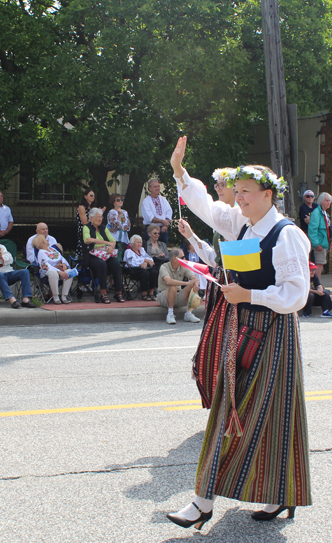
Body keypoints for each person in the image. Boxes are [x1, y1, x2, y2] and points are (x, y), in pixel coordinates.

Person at [167, 136, 311, 530]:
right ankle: (206, 501)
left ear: (268, 195)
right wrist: (180, 172)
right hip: (245, 327)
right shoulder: (243, 224)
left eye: (246, 192)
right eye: (238, 192)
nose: (238, 198)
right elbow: (207, 207)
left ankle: (267, 495)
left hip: (274, 332)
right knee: (231, 410)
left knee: (269, 414)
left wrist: (249, 293)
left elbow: (297, 295)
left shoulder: (286, 234)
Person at [178, 167, 237, 408]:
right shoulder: (221, 222)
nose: (218, 188)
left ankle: (233, 403)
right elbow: (215, 259)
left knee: (230, 346)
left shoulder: (241, 219)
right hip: (220, 286)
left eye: (224, 184)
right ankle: (221, 401)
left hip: (236, 288)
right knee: (214, 346)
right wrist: (192, 236)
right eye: (217, 184)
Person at [0, 230, 36, 309]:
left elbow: (10, 259)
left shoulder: (1, 247)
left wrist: (1, 257)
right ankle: (12, 300)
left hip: (9, 273)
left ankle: (25, 299)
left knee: (25, 271)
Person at [82, 207, 124, 304]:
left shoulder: (103, 227)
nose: (100, 219)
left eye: (101, 217)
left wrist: (111, 247)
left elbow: (113, 241)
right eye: (98, 217)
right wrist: (105, 242)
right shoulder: (86, 227)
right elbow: (87, 240)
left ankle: (118, 291)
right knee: (102, 265)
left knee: (116, 264)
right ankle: (103, 292)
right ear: (91, 218)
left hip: (105, 253)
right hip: (92, 254)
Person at [156, 247, 201, 324]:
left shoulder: (183, 266)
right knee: (173, 286)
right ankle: (170, 314)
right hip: (164, 297)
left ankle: (188, 313)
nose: (185, 258)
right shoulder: (164, 267)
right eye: (182, 257)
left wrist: (196, 284)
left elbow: (195, 278)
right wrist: (187, 283)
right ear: (175, 259)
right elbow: (169, 281)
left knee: (192, 285)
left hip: (178, 295)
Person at [33, 234, 74, 304]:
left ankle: (64, 296)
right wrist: (59, 271)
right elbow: (45, 266)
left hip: (61, 271)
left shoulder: (53, 249)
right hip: (48, 273)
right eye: (45, 239)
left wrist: (64, 265)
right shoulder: (41, 252)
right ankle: (55, 297)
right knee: (53, 273)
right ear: (43, 242)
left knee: (69, 272)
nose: (47, 240)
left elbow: (62, 258)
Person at [123, 235, 158, 300]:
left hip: (143, 268)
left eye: (140, 242)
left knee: (154, 272)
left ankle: (151, 292)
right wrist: (144, 260)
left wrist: (146, 262)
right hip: (132, 270)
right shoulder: (128, 251)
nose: (139, 244)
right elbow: (132, 263)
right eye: (137, 242)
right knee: (145, 273)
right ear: (132, 244)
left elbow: (150, 259)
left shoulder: (142, 250)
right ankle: (144, 293)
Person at [308, 192, 331, 279]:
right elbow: (312, 230)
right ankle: (318, 286)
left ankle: (318, 285)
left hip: (324, 243)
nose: (328, 203)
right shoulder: (317, 213)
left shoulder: (324, 213)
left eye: (329, 201)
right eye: (326, 201)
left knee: (321, 265)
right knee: (318, 265)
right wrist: (316, 244)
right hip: (320, 243)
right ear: (321, 201)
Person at [141, 178, 173, 243]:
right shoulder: (146, 201)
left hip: (163, 229)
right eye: (155, 186)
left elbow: (169, 211)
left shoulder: (163, 200)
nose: (158, 188)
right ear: (150, 188)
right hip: (151, 228)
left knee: (163, 249)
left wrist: (165, 225)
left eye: (158, 186)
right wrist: (163, 221)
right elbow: (149, 217)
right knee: (151, 250)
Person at [76, 188, 98, 258]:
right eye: (91, 195)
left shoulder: (93, 208)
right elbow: (84, 222)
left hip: (92, 230)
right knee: (83, 250)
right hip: (85, 230)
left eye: (94, 195)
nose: (93, 197)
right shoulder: (82, 207)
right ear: (85, 196)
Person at [107, 193, 130, 257]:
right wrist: (119, 215)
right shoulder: (111, 212)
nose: (120, 201)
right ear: (113, 203)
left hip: (124, 238)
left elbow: (128, 227)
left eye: (121, 200)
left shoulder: (125, 212)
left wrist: (120, 227)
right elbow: (115, 225)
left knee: (122, 254)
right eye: (118, 200)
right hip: (114, 237)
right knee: (115, 254)